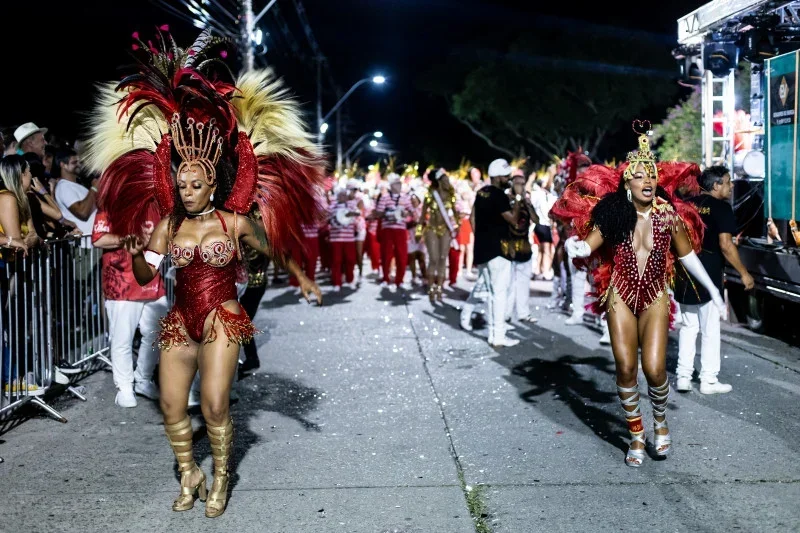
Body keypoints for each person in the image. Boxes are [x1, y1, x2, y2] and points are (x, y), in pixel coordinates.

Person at [84, 31, 325, 518]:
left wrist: (302, 277)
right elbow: (146, 269)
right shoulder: (170, 224)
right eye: (181, 183)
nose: (187, 189)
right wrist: (137, 251)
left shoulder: (234, 222)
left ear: (213, 181)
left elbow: (273, 248)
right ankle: (188, 469)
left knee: (214, 405)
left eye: (196, 183)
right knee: (172, 409)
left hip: (222, 316)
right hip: (180, 320)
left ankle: (219, 477)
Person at [552, 123, 726, 467]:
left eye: (651, 176)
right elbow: (589, 244)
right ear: (626, 183)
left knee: (656, 368)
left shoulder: (669, 216)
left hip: (655, 295)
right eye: (639, 177)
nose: (647, 181)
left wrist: (715, 293)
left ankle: (660, 422)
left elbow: (688, 256)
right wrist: (576, 247)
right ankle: (636, 433)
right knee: (627, 367)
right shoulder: (614, 214)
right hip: (620, 295)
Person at [673, 166, 754, 394]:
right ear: (716, 185)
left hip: (685, 271)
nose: (731, 186)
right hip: (708, 272)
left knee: (689, 326)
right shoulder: (722, 208)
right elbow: (726, 246)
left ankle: (683, 377)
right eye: (728, 182)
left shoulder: (687, 205)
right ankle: (708, 380)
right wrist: (744, 273)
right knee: (709, 328)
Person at [92, 207, 167, 407]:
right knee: (122, 339)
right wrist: (128, 239)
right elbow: (98, 238)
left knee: (157, 334)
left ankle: (143, 379)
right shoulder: (110, 204)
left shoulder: (154, 204)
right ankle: (124, 387)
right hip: (121, 282)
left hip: (152, 280)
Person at [460, 158, 521, 347]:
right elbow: (512, 220)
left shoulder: (481, 192)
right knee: (499, 293)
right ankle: (498, 336)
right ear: (498, 177)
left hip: (483, 248)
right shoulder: (499, 195)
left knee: (491, 294)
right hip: (498, 249)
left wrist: (481, 236)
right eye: (506, 175)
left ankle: (494, 334)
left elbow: (472, 218)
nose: (508, 178)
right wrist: (518, 200)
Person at [417, 169, 460, 302]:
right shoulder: (430, 194)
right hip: (431, 228)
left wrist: (457, 225)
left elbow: (455, 213)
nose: (448, 183)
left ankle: (440, 288)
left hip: (445, 229)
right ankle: (431, 287)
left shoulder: (451, 195)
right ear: (439, 181)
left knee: (442, 258)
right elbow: (423, 214)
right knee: (434, 258)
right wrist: (418, 231)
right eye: (445, 180)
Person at [505, 170, 538, 323]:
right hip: (509, 246)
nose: (520, 186)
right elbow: (512, 220)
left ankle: (523, 313)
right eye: (517, 183)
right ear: (511, 183)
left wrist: (527, 203)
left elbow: (536, 220)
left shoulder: (526, 200)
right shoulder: (506, 199)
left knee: (524, 283)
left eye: (523, 184)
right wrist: (518, 199)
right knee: (509, 284)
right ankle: (506, 314)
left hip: (525, 246)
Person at [376, 173, 413, 291]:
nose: (399, 185)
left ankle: (399, 280)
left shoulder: (405, 198)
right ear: (391, 185)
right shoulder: (384, 197)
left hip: (401, 230)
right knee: (386, 255)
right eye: (397, 183)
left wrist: (405, 213)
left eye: (400, 183)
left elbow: (411, 211)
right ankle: (385, 278)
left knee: (401, 255)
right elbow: (378, 213)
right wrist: (389, 213)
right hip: (388, 229)